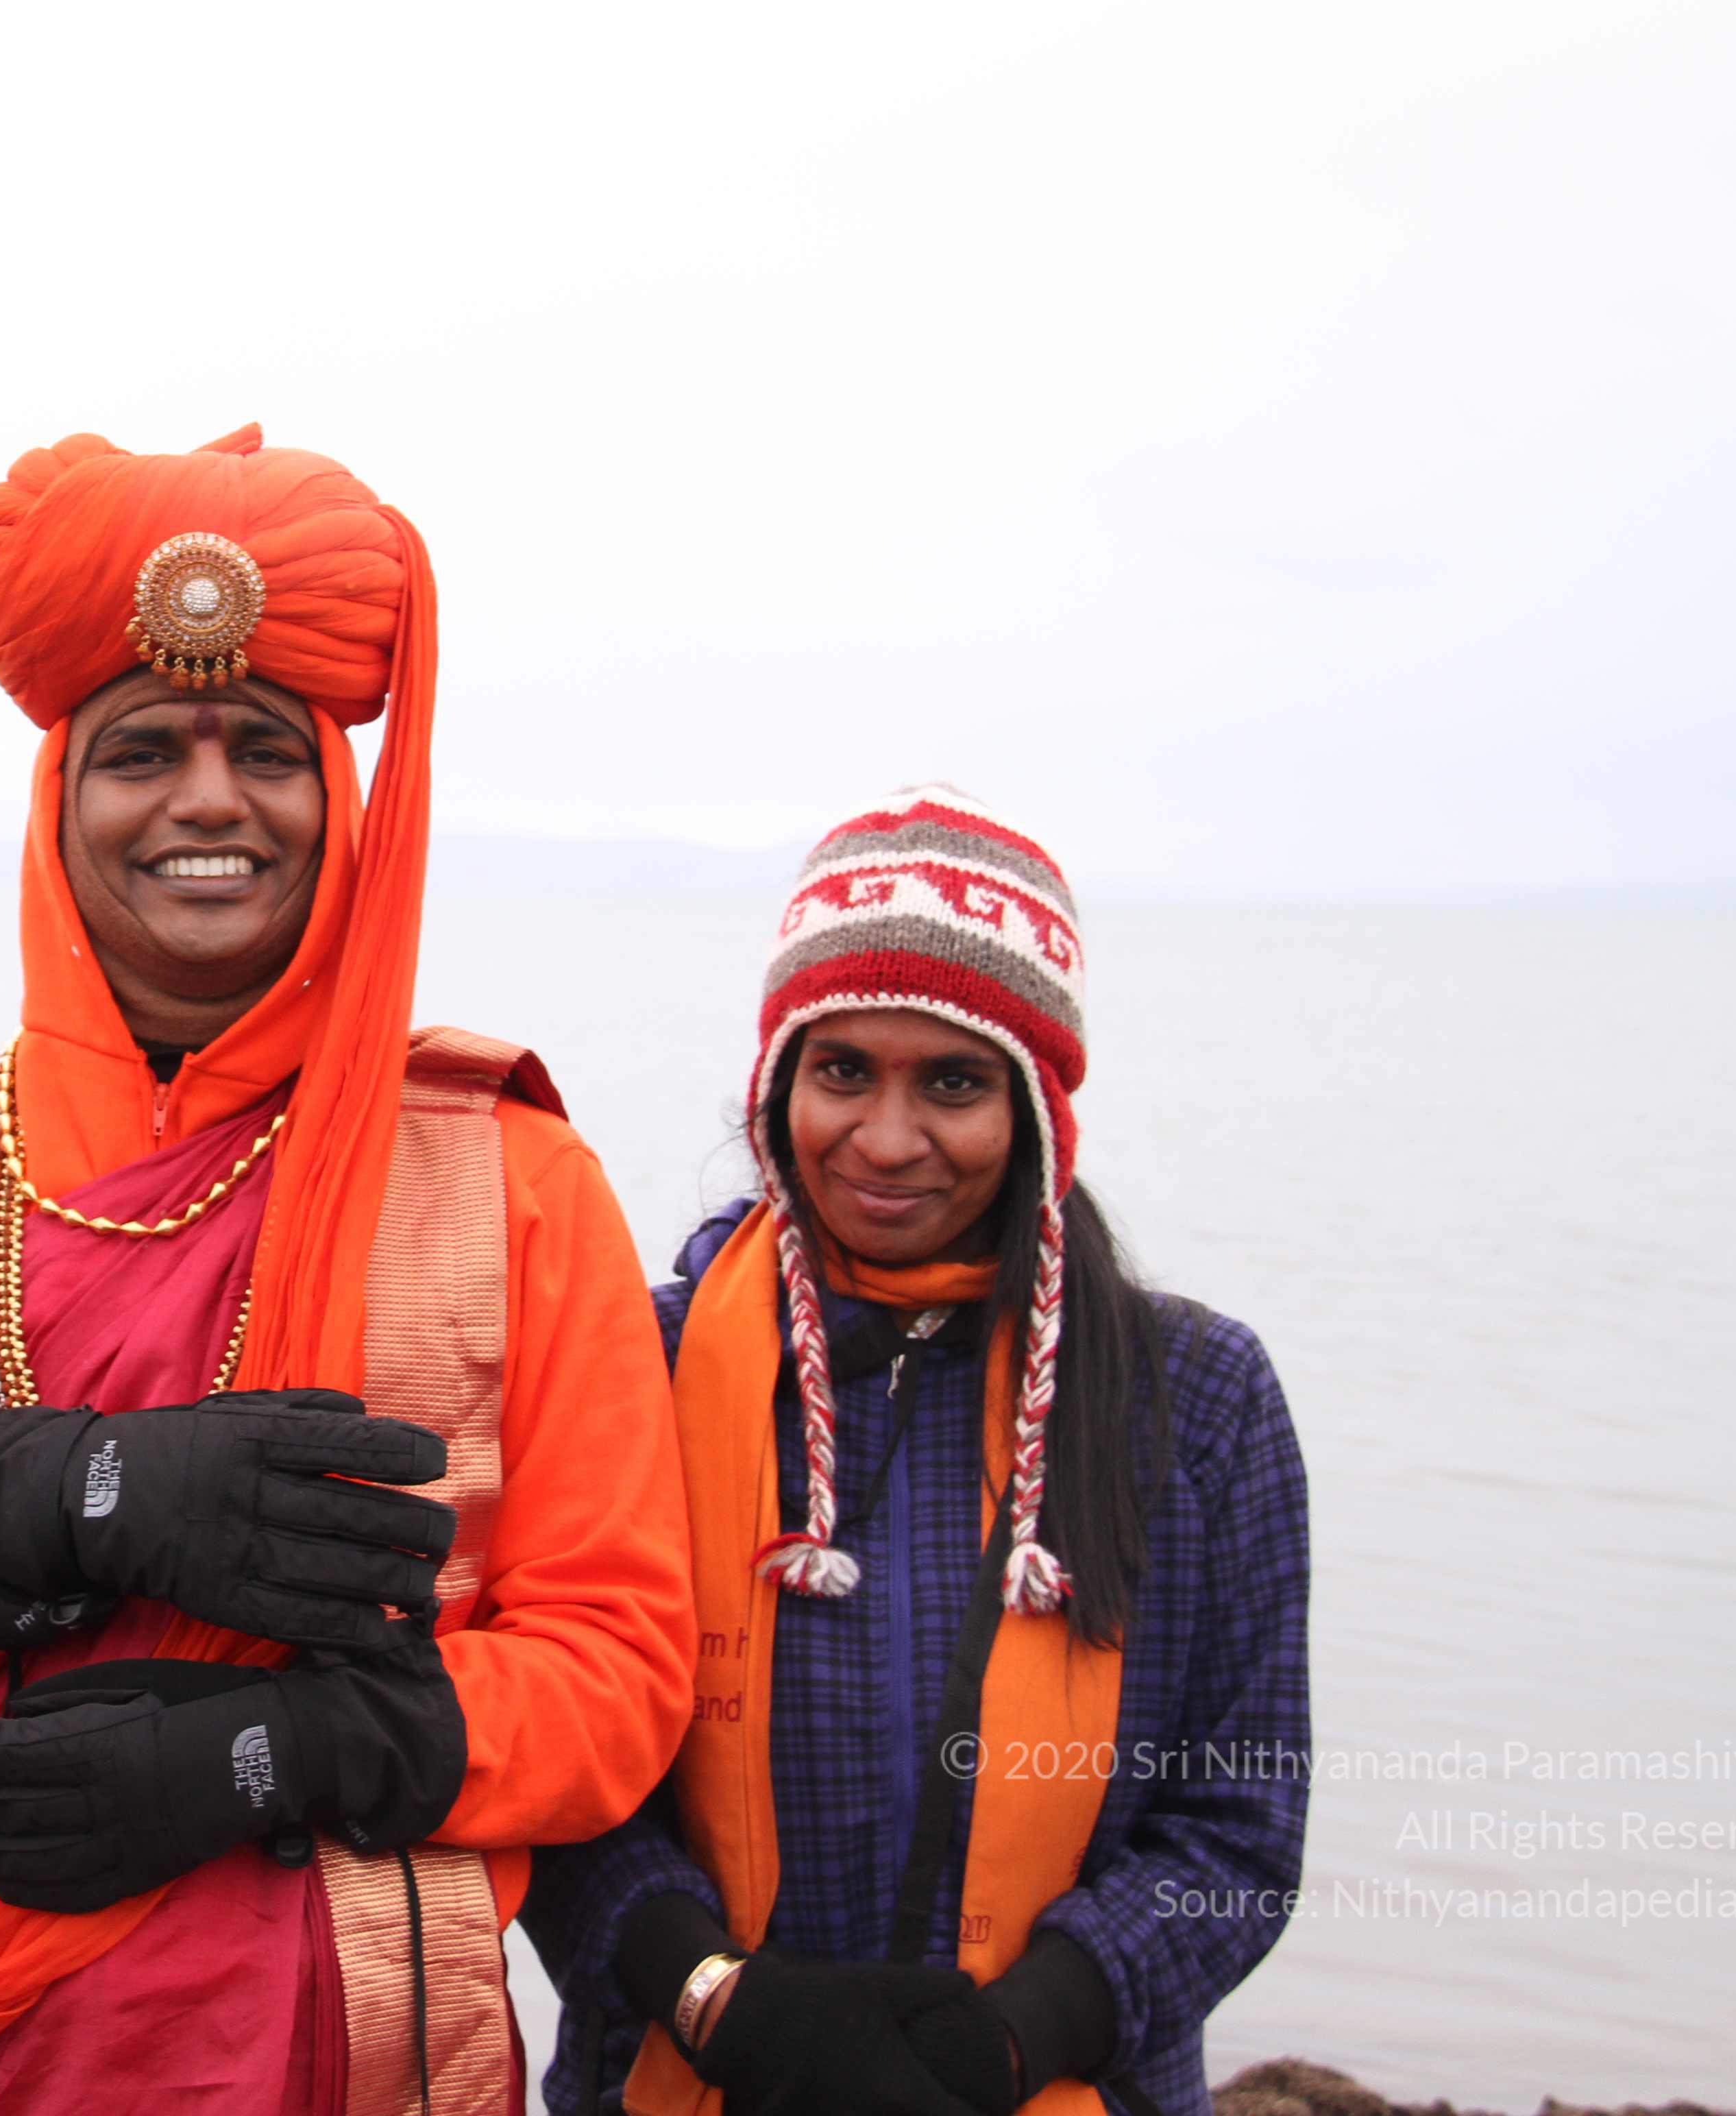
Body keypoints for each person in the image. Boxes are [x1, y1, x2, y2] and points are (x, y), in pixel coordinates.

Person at [0, 426, 696, 2113]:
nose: (207, 801)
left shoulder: (512, 1179)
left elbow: (618, 1678)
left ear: (339, 807)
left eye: (265, 749)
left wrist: (275, 1754)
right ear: (59, 805)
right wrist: (51, 1512)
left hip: (367, 2058)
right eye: (142, 752)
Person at [523, 788, 1310, 2116]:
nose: (886, 1142)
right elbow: (553, 1750)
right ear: (779, 1083)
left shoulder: (1199, 1398)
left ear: (1037, 1109)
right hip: (691, 2072)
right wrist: (712, 1994)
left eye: (953, 1082)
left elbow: (1240, 1829)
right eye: (842, 1071)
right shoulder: (634, 1368)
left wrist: (1017, 2037)